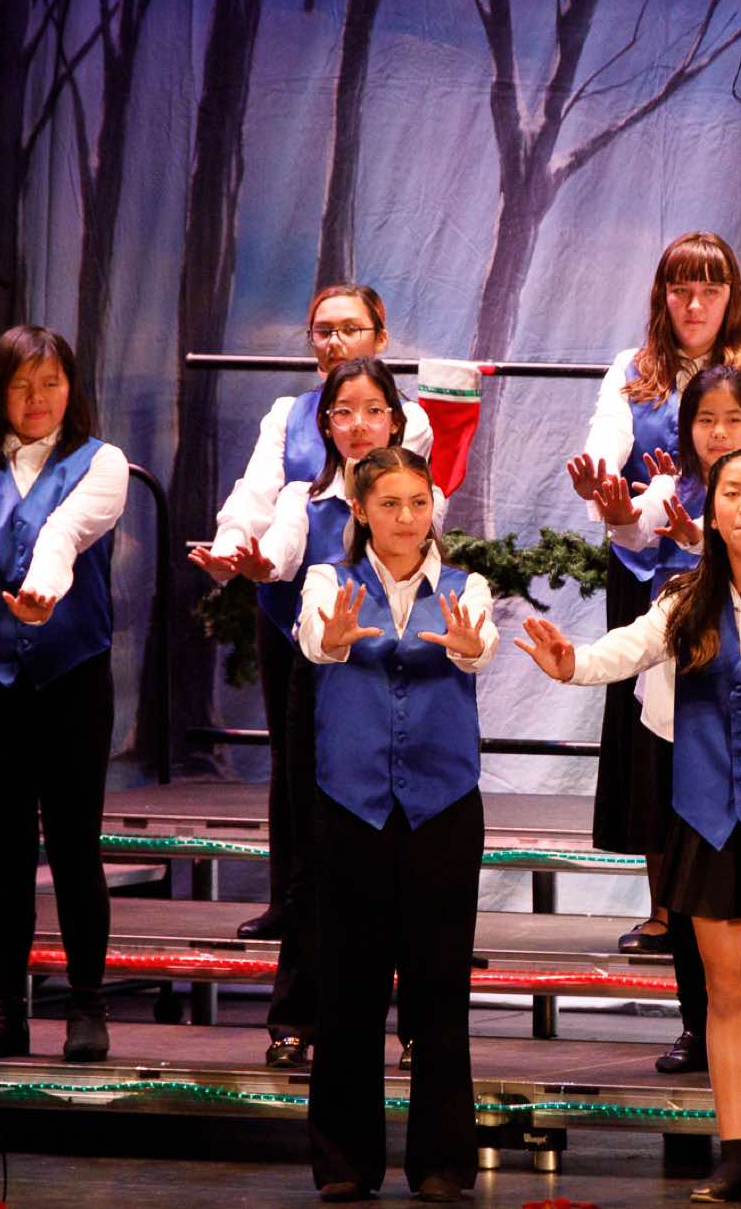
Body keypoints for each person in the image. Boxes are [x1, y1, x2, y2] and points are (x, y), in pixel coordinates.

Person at [519, 449, 741, 1207]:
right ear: (713, 510)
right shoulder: (681, 595)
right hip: (706, 815)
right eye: (733, 492)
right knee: (721, 996)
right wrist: (571, 663)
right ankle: (733, 1153)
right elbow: (628, 647)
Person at [565, 232, 741, 957]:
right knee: (647, 741)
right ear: (662, 297)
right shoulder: (629, 370)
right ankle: (663, 906)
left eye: (710, 290)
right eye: (680, 290)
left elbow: (740, 453)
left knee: (718, 728)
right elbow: (608, 441)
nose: (694, 305)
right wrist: (606, 490)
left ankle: (723, 898)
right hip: (644, 572)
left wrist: (679, 513)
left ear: (732, 297)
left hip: (731, 572)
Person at [191, 284, 430, 943]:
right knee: (293, 757)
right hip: (290, 614)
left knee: (382, 757)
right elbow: (256, 495)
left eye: (350, 328)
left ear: (380, 337)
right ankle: (291, 900)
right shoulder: (287, 415)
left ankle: (388, 909)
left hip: (376, 618)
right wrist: (233, 548)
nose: (335, 342)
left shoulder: (408, 418)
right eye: (323, 331)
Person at [220, 357, 440, 1069]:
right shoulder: (302, 498)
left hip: (400, 686)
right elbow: (279, 558)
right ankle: (296, 1016)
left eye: (373, 410)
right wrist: (256, 566)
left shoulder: (418, 496)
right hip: (320, 686)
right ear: (326, 423)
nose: (358, 425)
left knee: (408, 858)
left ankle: (419, 1028)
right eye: (344, 412)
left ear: (395, 421)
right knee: (314, 854)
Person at [295, 447, 496, 1203]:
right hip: (351, 806)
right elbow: (313, 638)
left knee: (441, 985)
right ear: (361, 510)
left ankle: (443, 1160)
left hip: (443, 807)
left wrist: (473, 649)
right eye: (389, 504)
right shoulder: (329, 580)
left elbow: (482, 646)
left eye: (418, 502)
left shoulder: (465, 585)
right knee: (348, 983)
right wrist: (335, 638)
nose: (407, 517)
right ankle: (344, 1160)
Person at [0, 325, 127, 1062]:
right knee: (2, 850)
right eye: (21, 384)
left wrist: (43, 592)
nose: (37, 398)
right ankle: (4, 1008)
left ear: (71, 389)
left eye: (51, 383)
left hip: (74, 676)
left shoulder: (102, 461)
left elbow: (64, 534)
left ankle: (86, 1004)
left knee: (75, 846)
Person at [590, 365, 741, 1076]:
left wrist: (702, 536)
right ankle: (700, 1024)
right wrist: (616, 512)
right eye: (705, 420)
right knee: (691, 884)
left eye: (732, 419)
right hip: (676, 713)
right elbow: (633, 533)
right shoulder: (667, 486)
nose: (719, 433)